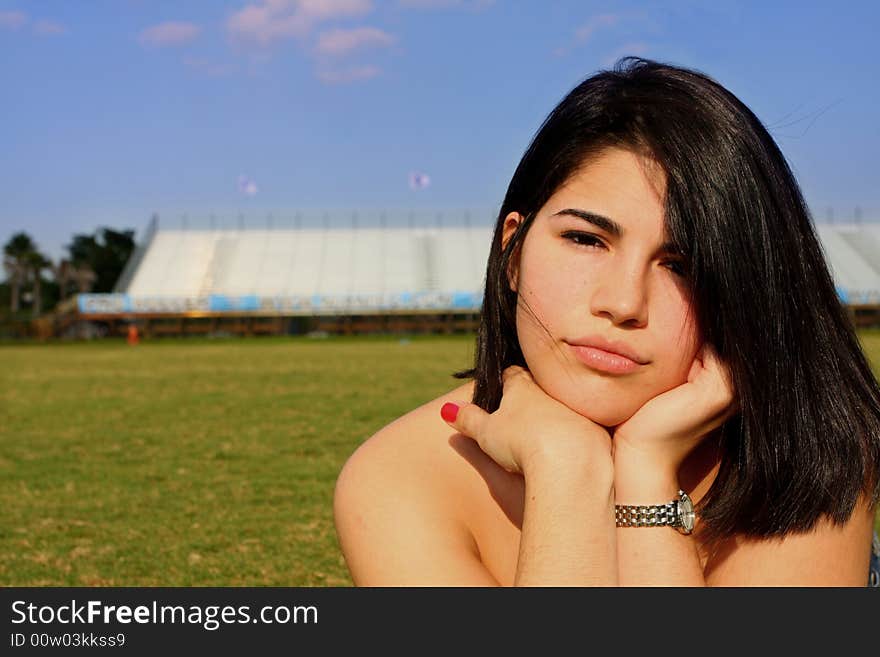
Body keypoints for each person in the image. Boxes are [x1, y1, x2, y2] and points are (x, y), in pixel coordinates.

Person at [333, 57, 880, 586]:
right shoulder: (403, 476)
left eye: (682, 267)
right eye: (586, 239)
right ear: (513, 254)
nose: (623, 303)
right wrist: (566, 468)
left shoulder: (805, 451)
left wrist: (644, 474)